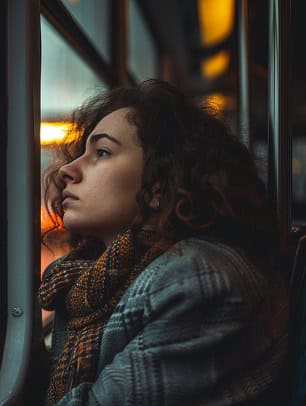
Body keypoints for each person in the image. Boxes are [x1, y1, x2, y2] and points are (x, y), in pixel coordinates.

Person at [38, 79, 288, 405]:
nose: (67, 171)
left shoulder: (197, 281)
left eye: (101, 152)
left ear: (159, 184)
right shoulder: (92, 278)